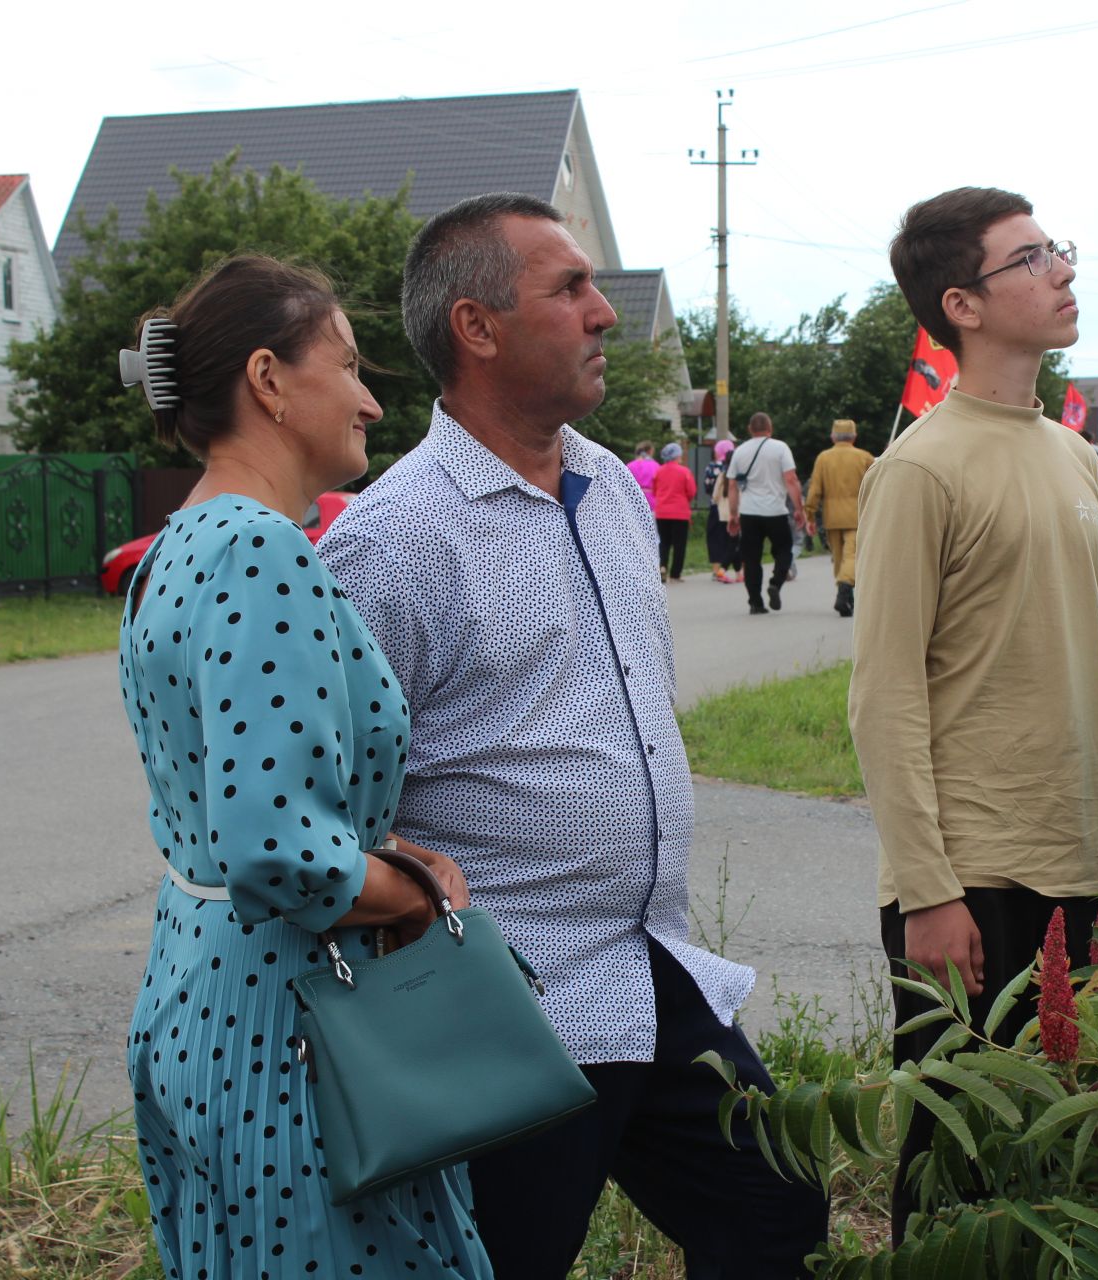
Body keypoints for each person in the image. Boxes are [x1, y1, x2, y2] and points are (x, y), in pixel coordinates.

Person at [318, 194, 826, 1280]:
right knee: (509, 1258)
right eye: (571, 288)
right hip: (514, 993)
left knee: (775, 1206)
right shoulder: (393, 540)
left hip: (651, 962)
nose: (603, 312)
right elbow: (334, 811)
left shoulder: (613, 494)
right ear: (478, 327)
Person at [113, 255, 494, 1278]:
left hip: (206, 988)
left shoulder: (179, 543)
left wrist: (379, 842)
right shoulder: (259, 551)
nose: (372, 397)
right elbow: (279, 848)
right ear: (270, 380)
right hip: (291, 1021)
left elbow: (241, 800)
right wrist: (411, 893)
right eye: (352, 364)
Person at [850, 186, 1098, 1245]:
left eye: (1058, 248)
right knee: (958, 1164)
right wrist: (927, 888)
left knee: (1068, 1150)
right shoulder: (918, 467)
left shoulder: (1071, 453)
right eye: (1033, 258)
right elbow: (881, 693)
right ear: (962, 304)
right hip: (970, 878)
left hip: (1081, 856)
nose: (1063, 270)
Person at [725, 411, 808, 615]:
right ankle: (776, 583)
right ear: (770, 428)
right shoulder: (780, 448)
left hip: (749, 513)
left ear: (750, 429)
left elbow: (733, 486)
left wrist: (733, 514)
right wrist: (799, 509)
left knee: (751, 558)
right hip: (775, 511)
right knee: (784, 550)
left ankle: (755, 603)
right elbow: (791, 480)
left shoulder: (740, 451)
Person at [803, 418, 874, 616]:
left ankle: (845, 594)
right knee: (852, 557)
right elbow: (875, 486)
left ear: (833, 436)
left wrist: (809, 515)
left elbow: (815, 490)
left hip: (832, 518)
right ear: (854, 436)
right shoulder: (864, 457)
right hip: (857, 516)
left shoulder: (823, 458)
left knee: (839, 558)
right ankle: (845, 588)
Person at [652, 441, 697, 582]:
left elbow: (654, 491)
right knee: (679, 544)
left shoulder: (659, 471)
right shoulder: (684, 472)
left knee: (664, 542)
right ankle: (675, 574)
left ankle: (662, 566)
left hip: (662, 511)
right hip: (680, 513)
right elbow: (691, 492)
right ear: (678, 456)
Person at [703, 438, 742, 583]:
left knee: (718, 541)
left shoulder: (714, 468)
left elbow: (712, 493)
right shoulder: (739, 473)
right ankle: (724, 570)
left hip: (719, 511)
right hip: (735, 511)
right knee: (734, 543)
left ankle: (728, 571)